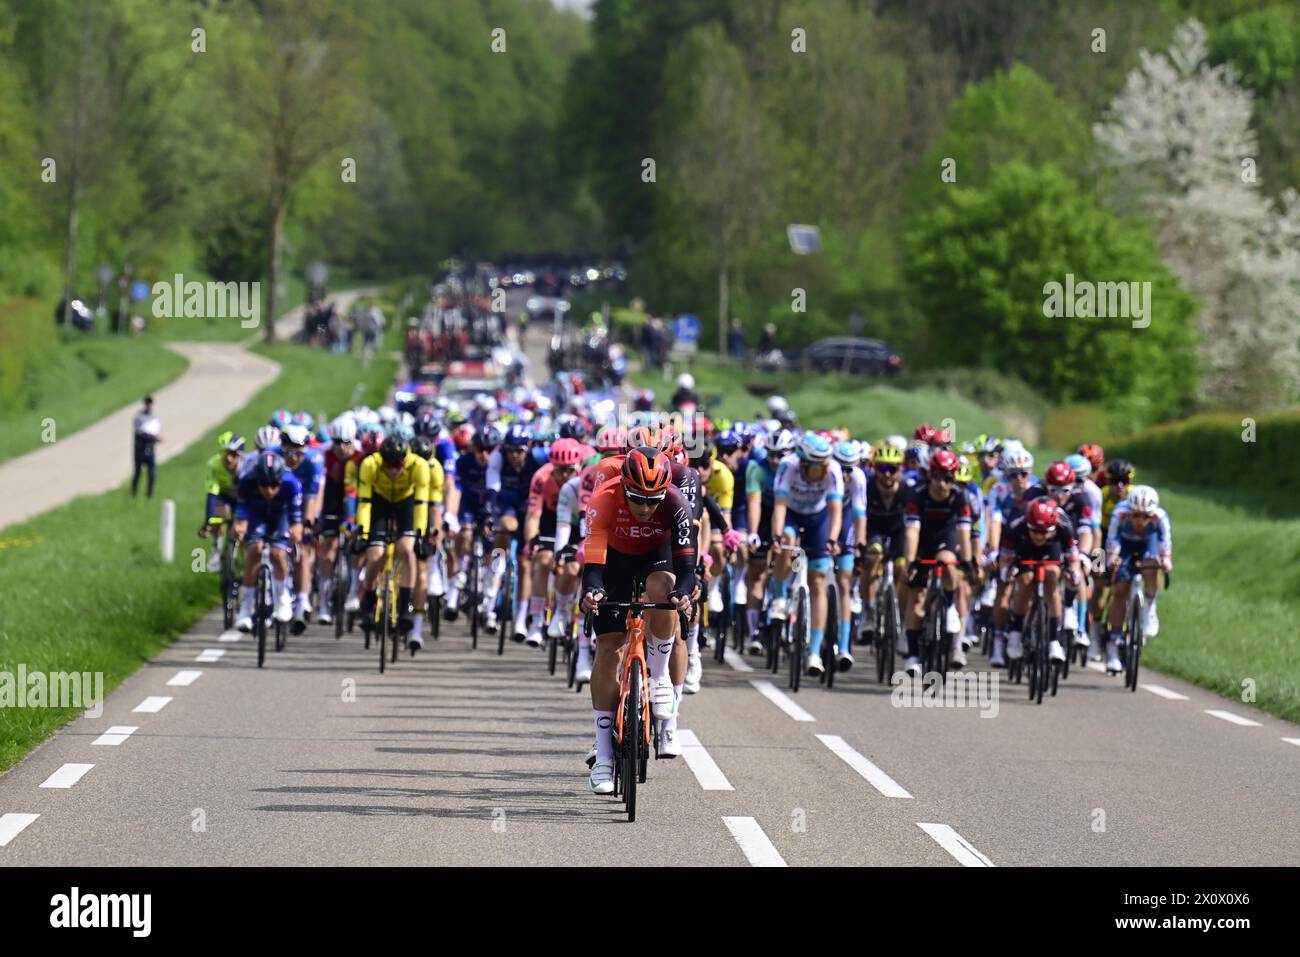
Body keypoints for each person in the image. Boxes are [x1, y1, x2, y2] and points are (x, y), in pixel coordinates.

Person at [132, 396, 162, 498]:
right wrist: (154, 438)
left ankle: (149, 495)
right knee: (137, 473)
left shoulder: (154, 418)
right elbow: (140, 433)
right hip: (140, 450)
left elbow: (155, 431)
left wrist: (155, 438)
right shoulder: (139, 417)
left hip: (150, 450)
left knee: (152, 474)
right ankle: (134, 493)